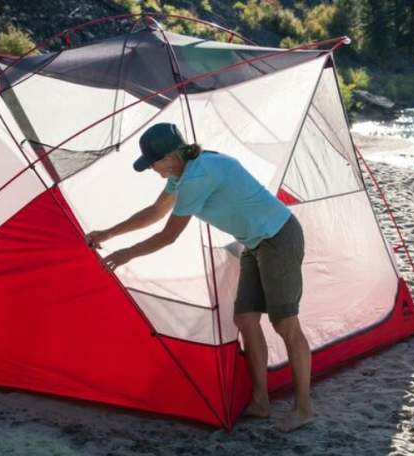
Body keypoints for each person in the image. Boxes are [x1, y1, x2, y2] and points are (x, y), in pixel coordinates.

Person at [86, 123, 313, 432]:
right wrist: (109, 232)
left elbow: (169, 236)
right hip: (254, 243)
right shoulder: (181, 176)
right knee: (246, 319)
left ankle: (303, 409)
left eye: (152, 163)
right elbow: (155, 212)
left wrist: (126, 254)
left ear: (168, 157)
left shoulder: (198, 176)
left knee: (285, 323)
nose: (152, 169)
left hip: (279, 237)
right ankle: (260, 403)